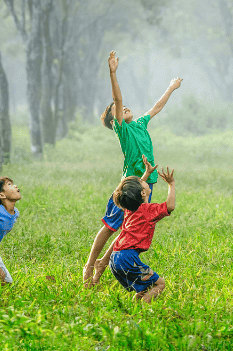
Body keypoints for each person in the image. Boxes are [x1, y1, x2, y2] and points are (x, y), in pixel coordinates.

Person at [82, 50, 182, 286]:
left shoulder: (139, 124)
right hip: (130, 185)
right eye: (118, 109)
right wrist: (112, 73)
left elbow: (156, 108)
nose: (124, 107)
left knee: (131, 227)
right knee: (110, 226)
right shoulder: (123, 130)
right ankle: (90, 265)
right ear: (113, 121)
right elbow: (117, 99)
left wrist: (170, 88)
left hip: (148, 183)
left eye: (125, 107)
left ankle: (102, 267)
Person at [108, 156, 175, 303]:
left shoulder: (129, 208)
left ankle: (135, 308)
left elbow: (135, 192)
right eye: (142, 182)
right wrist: (171, 184)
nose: (144, 181)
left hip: (115, 258)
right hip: (128, 259)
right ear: (143, 193)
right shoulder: (148, 211)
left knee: (145, 287)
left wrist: (147, 173)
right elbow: (170, 206)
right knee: (159, 284)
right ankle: (143, 311)